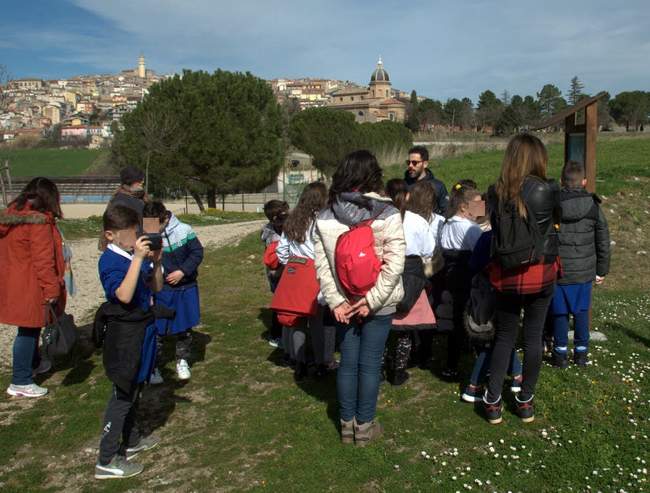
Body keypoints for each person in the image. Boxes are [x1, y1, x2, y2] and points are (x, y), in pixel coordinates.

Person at [314, 150, 405, 447]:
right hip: (379, 302)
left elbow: (323, 265)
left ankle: (345, 426)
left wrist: (338, 301)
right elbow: (394, 263)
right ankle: (364, 428)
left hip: (344, 304)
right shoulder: (387, 213)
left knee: (348, 362)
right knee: (369, 365)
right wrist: (372, 301)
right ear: (373, 176)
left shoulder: (326, 216)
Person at [484, 133, 561, 425]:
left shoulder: (495, 190)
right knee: (532, 337)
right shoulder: (548, 189)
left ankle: (492, 401)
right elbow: (559, 218)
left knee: (504, 336)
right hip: (540, 270)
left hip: (506, 272)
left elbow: (495, 228)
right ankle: (525, 400)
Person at [94, 204, 164, 479]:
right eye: (130, 232)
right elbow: (123, 295)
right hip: (125, 336)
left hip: (142, 330)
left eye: (137, 231)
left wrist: (155, 261)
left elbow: (155, 287)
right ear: (111, 235)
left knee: (136, 387)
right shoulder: (110, 261)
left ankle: (132, 441)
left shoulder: (130, 255)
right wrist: (137, 259)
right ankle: (107, 459)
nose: (136, 236)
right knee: (122, 394)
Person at [0, 178, 67, 397]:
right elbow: (43, 260)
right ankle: (20, 380)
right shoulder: (37, 222)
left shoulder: (14, 217)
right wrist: (51, 289)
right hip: (31, 284)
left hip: (15, 282)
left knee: (30, 327)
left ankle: (34, 363)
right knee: (28, 330)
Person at [549, 160, 610, 368]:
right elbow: (602, 241)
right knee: (582, 312)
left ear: (561, 182)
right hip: (584, 272)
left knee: (560, 313)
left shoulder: (554, 207)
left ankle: (560, 354)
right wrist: (601, 270)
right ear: (584, 182)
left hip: (559, 271)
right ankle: (581, 354)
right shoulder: (594, 208)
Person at [143, 202, 204, 383]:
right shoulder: (145, 234)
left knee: (184, 327)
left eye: (156, 225)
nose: (152, 229)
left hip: (185, 286)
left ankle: (182, 360)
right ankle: (153, 367)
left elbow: (197, 253)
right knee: (158, 329)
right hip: (162, 290)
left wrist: (182, 272)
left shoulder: (184, 230)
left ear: (166, 219)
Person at [276, 183, 329, 381]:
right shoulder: (322, 221)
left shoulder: (293, 222)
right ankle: (320, 364)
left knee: (297, 321)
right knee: (317, 324)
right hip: (316, 274)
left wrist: (293, 264)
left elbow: (281, 251)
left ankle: (300, 365)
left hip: (295, 275)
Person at [386, 180, 436, 387]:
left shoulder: (380, 218)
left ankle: (380, 369)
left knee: (380, 323)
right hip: (411, 271)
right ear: (407, 196)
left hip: (386, 269)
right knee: (405, 327)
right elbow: (428, 250)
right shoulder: (417, 221)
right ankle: (398, 370)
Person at [438, 185, 483, 380]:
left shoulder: (446, 225)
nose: (481, 208)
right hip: (468, 279)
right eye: (478, 204)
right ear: (464, 207)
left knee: (456, 322)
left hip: (450, 278)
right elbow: (481, 254)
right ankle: (479, 362)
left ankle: (451, 365)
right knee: (473, 319)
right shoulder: (471, 229)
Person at [98, 166, 151, 251]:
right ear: (130, 182)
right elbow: (122, 232)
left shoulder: (143, 198)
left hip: (147, 246)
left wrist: (154, 239)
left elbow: (151, 220)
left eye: (142, 179)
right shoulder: (121, 202)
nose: (142, 182)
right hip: (135, 250)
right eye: (138, 180)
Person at [261, 200, 290, 348]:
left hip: (276, 273)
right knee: (280, 305)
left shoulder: (270, 232)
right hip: (278, 273)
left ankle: (280, 334)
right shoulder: (276, 236)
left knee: (280, 302)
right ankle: (277, 335)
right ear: (275, 218)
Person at [403, 145, 449, 215]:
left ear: (425, 164)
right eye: (408, 162)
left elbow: (446, 211)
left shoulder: (438, 186)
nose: (410, 166)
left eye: (414, 163)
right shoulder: (402, 185)